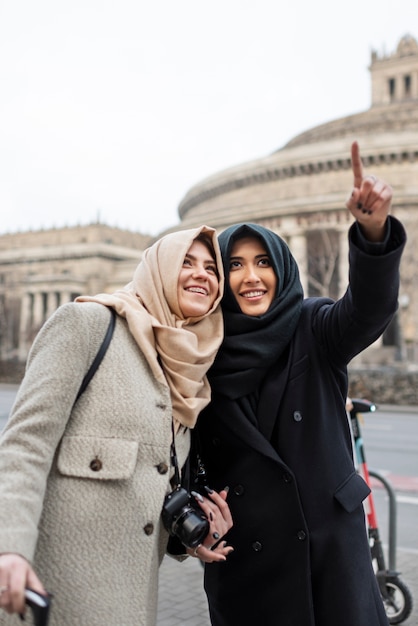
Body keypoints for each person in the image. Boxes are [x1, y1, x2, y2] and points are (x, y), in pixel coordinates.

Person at [195, 142, 406, 626]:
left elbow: (369, 309)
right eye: (235, 264)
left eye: (263, 262)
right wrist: (191, 530)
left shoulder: (314, 327)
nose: (251, 277)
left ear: (282, 268)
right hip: (248, 568)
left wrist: (373, 233)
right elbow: (183, 460)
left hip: (331, 560)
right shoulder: (201, 354)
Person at [0, 225, 233, 626]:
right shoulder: (88, 323)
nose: (202, 275)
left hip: (133, 603)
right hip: (57, 594)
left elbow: (154, 481)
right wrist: (10, 548)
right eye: (186, 262)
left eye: (212, 269)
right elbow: (26, 444)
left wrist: (189, 538)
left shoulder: (189, 371)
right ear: (158, 270)